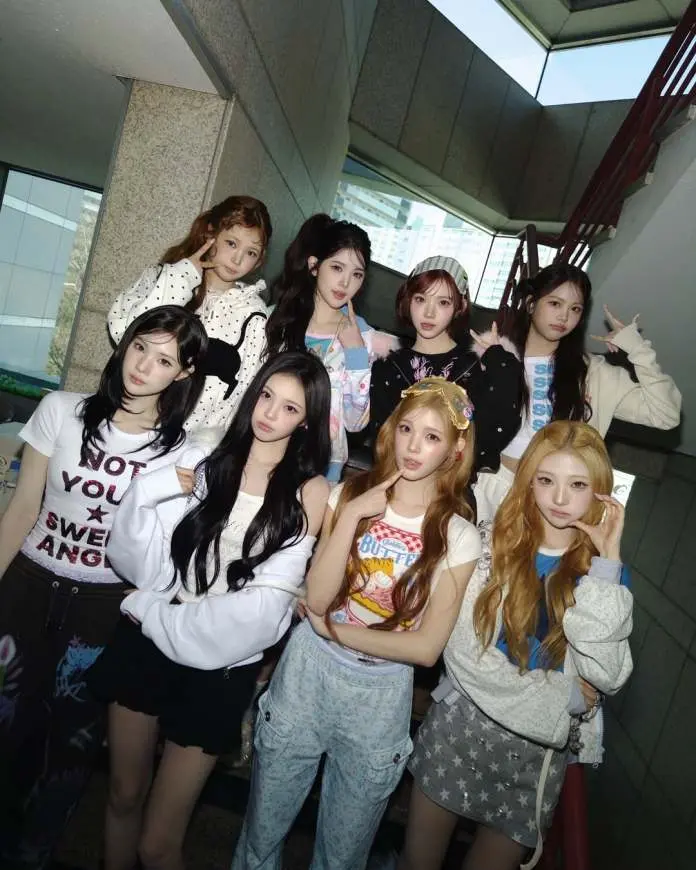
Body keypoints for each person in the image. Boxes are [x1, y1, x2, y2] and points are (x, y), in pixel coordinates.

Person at [86, 351, 331, 870]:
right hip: (147, 642)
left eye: (289, 408)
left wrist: (154, 615)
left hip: (219, 662)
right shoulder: (206, 450)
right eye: (266, 395)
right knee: (123, 795)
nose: (269, 413)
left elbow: (264, 613)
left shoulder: (310, 491)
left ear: (306, 420)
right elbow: (140, 550)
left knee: (158, 844)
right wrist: (149, 494)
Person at [232, 377, 482, 870]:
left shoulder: (459, 534)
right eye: (407, 429)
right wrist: (351, 518)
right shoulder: (347, 495)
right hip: (307, 672)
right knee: (261, 835)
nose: (414, 445)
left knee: (342, 856)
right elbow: (320, 597)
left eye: (432, 437)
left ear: (454, 451)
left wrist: (336, 630)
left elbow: (427, 649)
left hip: (381, 693)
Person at [0, 306, 207, 870]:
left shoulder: (182, 454)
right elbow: (21, 511)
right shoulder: (60, 411)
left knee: (70, 748)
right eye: (141, 347)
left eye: (165, 359)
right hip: (28, 586)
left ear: (183, 373)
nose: (144, 365)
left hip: (103, 606)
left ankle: (32, 855)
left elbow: (162, 555)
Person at [400, 421, 633, 870]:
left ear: (600, 491)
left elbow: (606, 676)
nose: (560, 499)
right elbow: (463, 656)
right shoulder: (490, 545)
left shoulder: (607, 576)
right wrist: (560, 696)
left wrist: (607, 566)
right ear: (528, 483)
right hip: (461, 729)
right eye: (545, 481)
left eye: (578, 484)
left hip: (534, 761)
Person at [475, 263, 681, 521]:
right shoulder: (494, 356)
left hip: (550, 503)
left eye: (575, 309)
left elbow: (666, 415)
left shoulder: (595, 374)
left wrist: (638, 351)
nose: (563, 317)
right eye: (554, 304)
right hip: (491, 487)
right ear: (531, 304)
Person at [108, 195, 272, 431]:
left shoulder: (254, 314)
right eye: (231, 243)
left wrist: (210, 445)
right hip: (131, 423)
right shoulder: (165, 277)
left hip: (196, 444)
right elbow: (124, 333)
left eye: (251, 253)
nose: (237, 259)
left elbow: (245, 388)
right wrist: (181, 278)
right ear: (210, 234)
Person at [265, 213, 397, 484]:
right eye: (337, 268)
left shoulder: (364, 339)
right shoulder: (278, 321)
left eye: (357, 274)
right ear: (314, 266)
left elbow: (355, 422)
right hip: (265, 450)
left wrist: (356, 353)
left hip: (320, 468)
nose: (345, 283)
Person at [369, 256, 521, 474]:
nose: (429, 313)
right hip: (396, 487)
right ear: (408, 300)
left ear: (461, 306)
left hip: (451, 494)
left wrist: (499, 360)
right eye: (421, 299)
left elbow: (494, 431)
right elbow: (382, 442)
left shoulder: (475, 367)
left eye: (443, 302)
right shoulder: (388, 366)